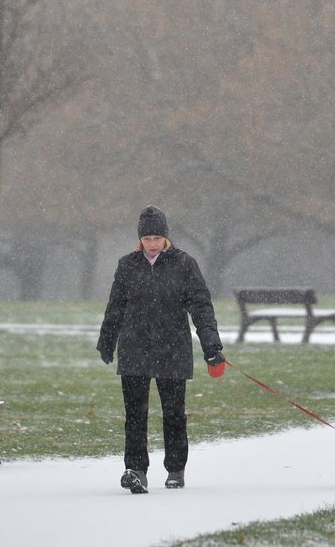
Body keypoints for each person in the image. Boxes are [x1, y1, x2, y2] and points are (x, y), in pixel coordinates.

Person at [96, 205, 225, 494]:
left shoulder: (184, 264)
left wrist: (211, 346)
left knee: (174, 413)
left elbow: (201, 307)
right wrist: (107, 341)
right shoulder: (127, 266)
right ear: (139, 239)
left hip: (173, 349)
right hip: (134, 349)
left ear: (165, 238)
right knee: (135, 414)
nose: (152, 244)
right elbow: (115, 307)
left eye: (157, 238)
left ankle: (175, 469)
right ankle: (136, 470)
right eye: (147, 239)